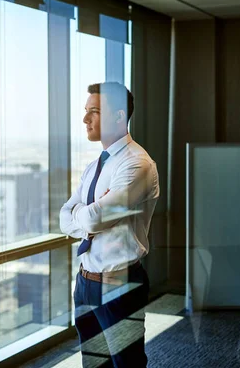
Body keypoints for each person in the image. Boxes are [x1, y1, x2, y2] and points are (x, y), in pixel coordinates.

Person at [60, 82, 159, 368]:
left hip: (119, 284)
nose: (85, 119)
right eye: (86, 111)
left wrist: (86, 214)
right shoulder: (94, 167)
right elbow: (64, 218)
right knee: (93, 364)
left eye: (94, 112)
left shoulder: (137, 164)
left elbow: (91, 218)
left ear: (118, 116)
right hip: (85, 282)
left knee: (126, 364)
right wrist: (87, 214)